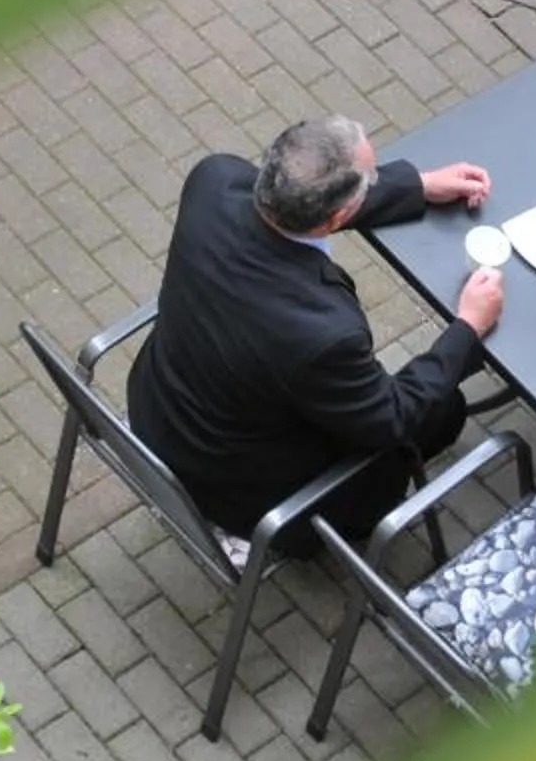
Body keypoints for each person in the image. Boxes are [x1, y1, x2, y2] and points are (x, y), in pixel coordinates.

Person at [127, 115, 502, 548]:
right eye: (371, 179)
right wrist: (468, 327)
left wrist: (416, 185)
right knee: (444, 410)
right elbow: (390, 418)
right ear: (340, 214)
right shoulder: (322, 335)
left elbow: (292, 212)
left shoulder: (214, 181)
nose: (375, 181)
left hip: (160, 414)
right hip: (248, 495)